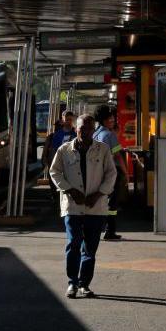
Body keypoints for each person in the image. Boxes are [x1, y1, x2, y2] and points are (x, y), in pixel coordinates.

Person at [49, 113, 116, 299]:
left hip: (96, 207)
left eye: (88, 128)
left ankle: (84, 284)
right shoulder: (64, 150)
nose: (84, 132)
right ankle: (72, 282)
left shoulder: (102, 150)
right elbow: (54, 172)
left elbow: (111, 174)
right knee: (73, 243)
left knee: (90, 248)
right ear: (75, 128)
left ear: (93, 130)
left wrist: (100, 193)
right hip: (72, 207)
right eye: (81, 128)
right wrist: (70, 190)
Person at [92, 105, 125, 240]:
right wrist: (125, 172)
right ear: (105, 119)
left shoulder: (95, 134)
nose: (113, 119)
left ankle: (98, 229)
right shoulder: (110, 135)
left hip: (97, 172)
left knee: (100, 201)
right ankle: (110, 231)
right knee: (112, 204)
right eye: (111, 117)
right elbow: (117, 155)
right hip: (111, 173)